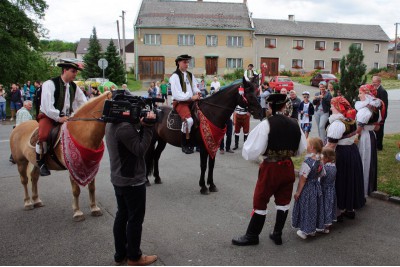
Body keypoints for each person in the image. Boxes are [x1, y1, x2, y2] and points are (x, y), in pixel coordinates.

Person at [232, 94, 307, 246]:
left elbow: (251, 151)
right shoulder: (295, 123)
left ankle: (252, 235)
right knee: (284, 200)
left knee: (260, 199)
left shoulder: (266, 125)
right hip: (288, 167)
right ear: (284, 106)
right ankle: (277, 234)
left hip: (271, 168)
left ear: (270, 107)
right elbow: (301, 149)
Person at [105, 109, 158, 266]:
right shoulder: (124, 128)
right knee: (135, 219)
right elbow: (141, 149)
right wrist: (148, 127)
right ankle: (134, 257)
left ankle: (120, 254)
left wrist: (139, 124)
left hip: (119, 178)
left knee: (122, 215)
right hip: (132, 180)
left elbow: (127, 142)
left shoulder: (111, 123)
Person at [36, 60, 87, 176]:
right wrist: (59, 117)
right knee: (43, 135)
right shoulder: (50, 84)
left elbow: (83, 103)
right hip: (49, 116)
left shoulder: (74, 87)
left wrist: (84, 114)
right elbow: (47, 106)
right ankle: (41, 161)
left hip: (67, 117)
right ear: (65, 70)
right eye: (73, 71)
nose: (75, 74)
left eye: (76, 72)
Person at [325, 96, 365, 221]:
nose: (330, 107)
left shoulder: (337, 124)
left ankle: (339, 211)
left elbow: (331, 145)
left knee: (341, 180)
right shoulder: (351, 120)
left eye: (332, 105)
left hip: (341, 153)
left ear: (338, 107)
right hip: (352, 151)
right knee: (350, 178)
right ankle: (350, 209)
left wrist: (321, 157)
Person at [292, 137, 325, 239]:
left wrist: (298, 192)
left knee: (306, 207)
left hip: (307, 189)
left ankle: (304, 230)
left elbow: (303, 179)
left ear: (311, 147)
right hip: (316, 187)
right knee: (314, 207)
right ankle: (312, 229)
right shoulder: (320, 160)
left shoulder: (307, 163)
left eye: (307, 144)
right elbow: (322, 174)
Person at [355, 84, 385, 196]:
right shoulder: (376, 107)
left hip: (364, 137)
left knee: (363, 162)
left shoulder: (365, 110)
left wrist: (353, 136)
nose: (359, 95)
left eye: (361, 93)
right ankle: (365, 190)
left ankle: (360, 191)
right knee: (367, 162)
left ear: (367, 94)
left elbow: (358, 129)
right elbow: (377, 127)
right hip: (371, 135)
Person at [170, 54, 200, 154]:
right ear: (179, 63)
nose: (187, 64)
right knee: (189, 121)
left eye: (188, 62)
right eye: (184, 62)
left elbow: (195, 87)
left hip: (191, 100)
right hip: (180, 102)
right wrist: (191, 97)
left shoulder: (190, 75)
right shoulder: (175, 76)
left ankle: (197, 142)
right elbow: (177, 95)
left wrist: (198, 92)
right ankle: (185, 144)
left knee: (202, 116)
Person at [320, 147, 337, 232]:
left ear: (326, 158)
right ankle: (328, 224)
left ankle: (323, 225)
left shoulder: (325, 168)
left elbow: (321, 178)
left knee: (324, 207)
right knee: (329, 206)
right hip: (331, 189)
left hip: (324, 189)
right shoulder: (334, 167)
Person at [372, 76, 388, 151]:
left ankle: (379, 146)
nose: (373, 83)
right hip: (376, 114)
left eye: (375, 82)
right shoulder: (374, 89)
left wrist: (382, 117)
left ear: (379, 82)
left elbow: (384, 105)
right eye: (373, 81)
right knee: (376, 130)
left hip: (381, 114)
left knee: (380, 131)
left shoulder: (382, 91)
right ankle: (376, 144)